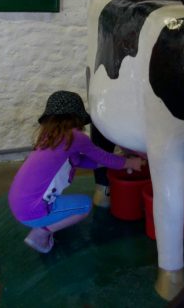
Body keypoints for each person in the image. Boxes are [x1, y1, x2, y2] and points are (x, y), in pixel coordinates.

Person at [8, 90, 145, 253]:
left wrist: (118, 160)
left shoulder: (50, 138)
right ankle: (39, 235)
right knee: (84, 205)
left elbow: (81, 161)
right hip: (32, 212)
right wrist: (130, 162)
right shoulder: (75, 136)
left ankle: (45, 224)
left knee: (68, 204)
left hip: (19, 206)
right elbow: (102, 157)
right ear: (76, 117)